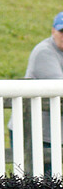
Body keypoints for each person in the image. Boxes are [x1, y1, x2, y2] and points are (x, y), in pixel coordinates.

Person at [10, 12, 63, 177]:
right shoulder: (44, 52)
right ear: (53, 31)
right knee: (38, 183)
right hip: (34, 132)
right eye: (62, 32)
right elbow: (59, 87)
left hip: (53, 132)